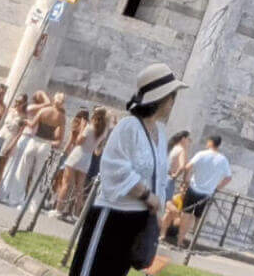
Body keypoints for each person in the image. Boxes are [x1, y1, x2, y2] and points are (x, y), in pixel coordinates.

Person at [67, 65, 182, 276]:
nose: (173, 103)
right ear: (163, 98)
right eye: (172, 96)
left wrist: (159, 206)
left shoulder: (161, 132)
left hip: (137, 220)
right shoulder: (129, 126)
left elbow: (159, 173)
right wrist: (147, 195)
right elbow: (115, 167)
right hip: (112, 215)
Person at [174, 131, 232, 247]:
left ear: (211, 142)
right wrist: (217, 188)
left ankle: (180, 240)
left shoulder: (201, 154)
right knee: (198, 218)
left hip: (193, 188)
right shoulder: (223, 160)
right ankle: (193, 242)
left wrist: (186, 181)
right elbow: (228, 178)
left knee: (186, 214)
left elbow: (188, 167)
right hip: (207, 193)